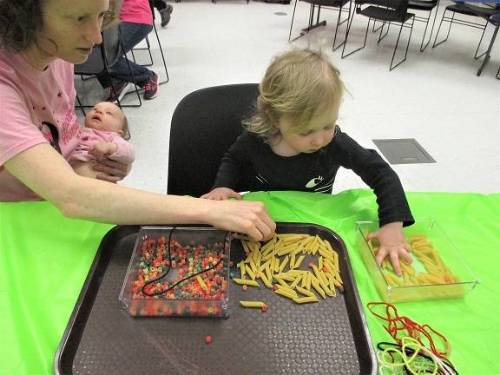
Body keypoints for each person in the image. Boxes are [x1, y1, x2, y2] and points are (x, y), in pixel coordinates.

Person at [0, 0, 275, 242]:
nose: (96, 37)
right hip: (21, 225)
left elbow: (58, 134)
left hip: (66, 213)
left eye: (100, 16)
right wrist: (209, 210)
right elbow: (71, 196)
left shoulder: (57, 51)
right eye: (78, 18)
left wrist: (106, 154)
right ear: (25, 14)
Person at [201, 49, 414, 275]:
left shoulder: (335, 144)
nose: (321, 139)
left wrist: (392, 225)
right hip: (266, 227)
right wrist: (223, 186)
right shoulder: (257, 140)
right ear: (275, 119)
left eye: (328, 125)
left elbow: (381, 173)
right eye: (306, 131)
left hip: (315, 231)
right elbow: (233, 159)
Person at [97, 0, 160, 101]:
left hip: (135, 18)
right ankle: (117, 81)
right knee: (94, 54)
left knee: (101, 57)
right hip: (114, 18)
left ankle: (147, 77)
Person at [70, 101, 134, 178]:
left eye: (109, 113)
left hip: (96, 173)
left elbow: (130, 153)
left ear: (119, 132)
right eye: (94, 109)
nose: (98, 111)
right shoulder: (78, 130)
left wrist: (110, 148)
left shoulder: (112, 137)